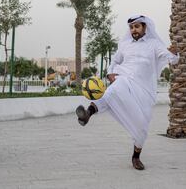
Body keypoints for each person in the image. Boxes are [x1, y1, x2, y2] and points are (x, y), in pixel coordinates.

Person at [76, 15, 179, 170]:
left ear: (144, 27)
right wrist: (110, 73)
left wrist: (174, 54)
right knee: (112, 91)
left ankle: (136, 157)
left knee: (141, 127)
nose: (134, 30)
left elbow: (171, 59)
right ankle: (88, 113)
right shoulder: (124, 45)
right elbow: (115, 62)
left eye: (137, 27)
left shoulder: (154, 44)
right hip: (123, 78)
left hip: (143, 90)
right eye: (131, 27)